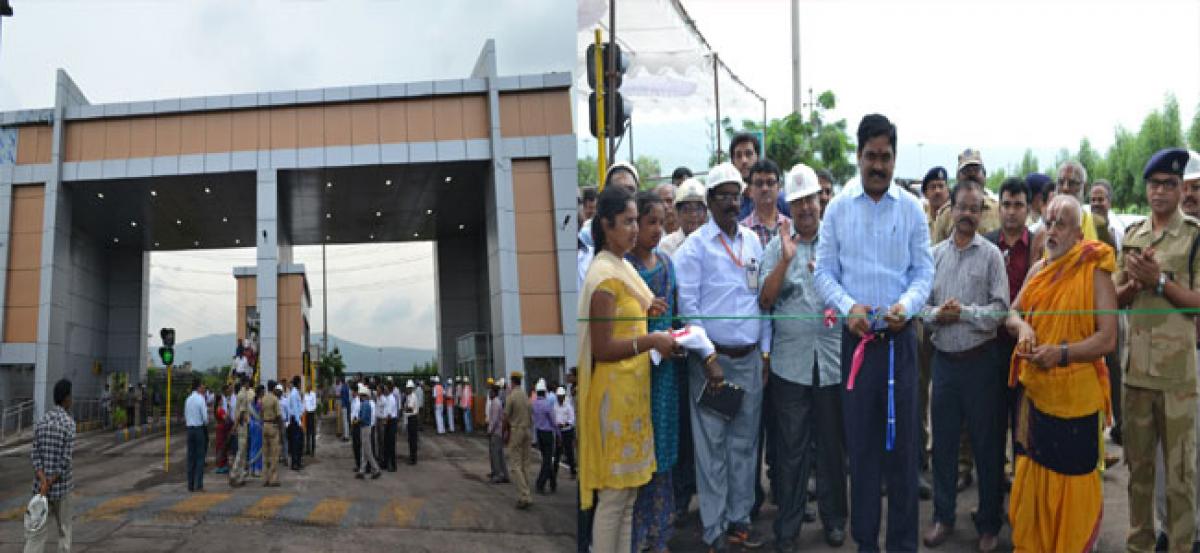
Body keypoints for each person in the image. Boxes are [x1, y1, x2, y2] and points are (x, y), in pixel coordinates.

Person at [814, 114, 934, 552]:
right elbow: (824, 273)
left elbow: (924, 271)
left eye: (886, 157)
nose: (878, 165)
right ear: (858, 156)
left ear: (895, 157)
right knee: (861, 451)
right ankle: (865, 541)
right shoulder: (839, 208)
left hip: (901, 344)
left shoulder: (912, 208)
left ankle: (902, 545)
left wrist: (908, 305)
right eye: (871, 156)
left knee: (903, 453)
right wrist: (848, 309)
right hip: (858, 345)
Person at [1003, 194, 1117, 552]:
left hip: (1076, 406)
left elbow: (1107, 339)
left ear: (1078, 233)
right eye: (1048, 222)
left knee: (1072, 495)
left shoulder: (1094, 270)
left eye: (1061, 223)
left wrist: (1062, 354)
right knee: (1035, 483)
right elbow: (1012, 312)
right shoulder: (1039, 270)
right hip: (1038, 399)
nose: (1051, 230)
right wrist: (1022, 329)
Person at [674, 161, 771, 551]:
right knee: (712, 447)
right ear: (710, 202)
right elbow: (688, 307)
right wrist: (708, 356)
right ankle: (713, 530)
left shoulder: (753, 242)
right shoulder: (694, 247)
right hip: (710, 364)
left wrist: (764, 354)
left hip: (749, 359)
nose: (732, 202)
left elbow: (760, 301)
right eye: (723, 196)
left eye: (736, 194)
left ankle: (739, 522)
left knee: (744, 446)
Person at [577, 184, 675, 553]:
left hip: (632, 394)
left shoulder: (622, 268)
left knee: (629, 498)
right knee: (614, 501)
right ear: (606, 224)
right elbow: (602, 348)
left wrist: (647, 310)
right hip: (614, 398)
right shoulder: (604, 276)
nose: (635, 229)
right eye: (628, 221)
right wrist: (651, 341)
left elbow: (625, 318)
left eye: (637, 220)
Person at [758, 164, 848, 551]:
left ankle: (834, 521)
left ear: (821, 200)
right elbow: (764, 300)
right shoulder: (777, 245)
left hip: (831, 363)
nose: (806, 208)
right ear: (789, 207)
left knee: (831, 448)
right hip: (790, 367)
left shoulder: (838, 244)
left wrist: (828, 277)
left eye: (810, 199)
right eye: (797, 202)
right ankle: (788, 528)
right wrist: (785, 261)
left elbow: (853, 297)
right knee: (791, 451)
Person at [1117, 148, 1200, 552]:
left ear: (1181, 187)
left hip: (1177, 378)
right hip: (1137, 375)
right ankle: (1139, 545)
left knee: (1182, 477)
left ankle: (1183, 545)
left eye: (1169, 184)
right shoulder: (1132, 236)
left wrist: (1161, 283)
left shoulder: (1195, 237)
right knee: (1139, 473)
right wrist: (1134, 285)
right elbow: (1113, 299)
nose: (1161, 191)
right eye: (1154, 184)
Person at [920, 180, 1009, 552]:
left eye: (975, 209)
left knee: (988, 448)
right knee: (942, 446)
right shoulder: (934, 255)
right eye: (962, 207)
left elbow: (1001, 309)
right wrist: (940, 314)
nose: (968, 215)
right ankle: (943, 517)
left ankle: (989, 523)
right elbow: (919, 310)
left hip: (981, 365)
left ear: (981, 213)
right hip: (945, 367)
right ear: (950, 210)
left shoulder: (991, 256)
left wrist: (965, 314)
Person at [627, 189, 682, 553]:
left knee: (663, 454)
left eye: (662, 223)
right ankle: (636, 532)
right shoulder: (625, 269)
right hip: (635, 371)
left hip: (664, 376)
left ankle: (659, 533)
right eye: (651, 223)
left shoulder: (667, 264)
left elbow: (675, 313)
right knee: (638, 453)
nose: (657, 230)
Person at [1153, 149, 1200, 551]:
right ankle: (1171, 529)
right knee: (1175, 457)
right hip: (1178, 358)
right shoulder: (1165, 234)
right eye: (1187, 188)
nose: (1190, 195)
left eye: (1196, 189)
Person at [24, 379, 76, 553]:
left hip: (41, 490)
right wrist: (52, 480)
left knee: (36, 533)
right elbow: (65, 461)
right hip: (62, 489)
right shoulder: (69, 424)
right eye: (71, 395)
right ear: (66, 398)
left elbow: (35, 455)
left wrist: (43, 480)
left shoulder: (41, 422)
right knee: (64, 531)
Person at [930, 149, 1000, 245]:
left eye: (976, 170)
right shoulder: (946, 214)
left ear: (984, 175)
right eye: (966, 171)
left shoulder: (998, 210)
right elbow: (937, 254)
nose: (971, 174)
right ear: (958, 177)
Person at [504, 372, 535, 509]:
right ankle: (527, 494)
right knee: (525, 464)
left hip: (517, 430)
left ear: (512, 382)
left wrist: (504, 432)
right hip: (528, 430)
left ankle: (525, 495)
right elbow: (531, 414)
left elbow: (506, 416)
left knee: (515, 464)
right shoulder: (526, 396)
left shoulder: (512, 397)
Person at [742, 159, 790, 247]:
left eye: (770, 183)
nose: (765, 188)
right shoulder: (742, 231)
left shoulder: (791, 227)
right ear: (750, 190)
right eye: (759, 183)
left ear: (778, 187)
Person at [658, 177, 708, 257]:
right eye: (687, 209)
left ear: (706, 212)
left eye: (699, 209)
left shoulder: (716, 243)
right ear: (677, 213)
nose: (693, 214)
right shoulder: (665, 247)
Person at [532, 380, 560, 494]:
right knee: (548, 461)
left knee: (546, 459)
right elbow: (553, 421)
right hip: (548, 434)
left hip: (539, 432)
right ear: (545, 392)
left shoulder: (534, 404)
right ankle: (540, 483)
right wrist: (558, 434)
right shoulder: (547, 404)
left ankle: (553, 482)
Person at [185, 381, 209, 493]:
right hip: (199, 429)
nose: (204, 389)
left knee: (190, 457)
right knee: (200, 458)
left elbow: (186, 415)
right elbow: (205, 418)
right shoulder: (201, 399)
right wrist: (205, 424)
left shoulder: (188, 400)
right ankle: (198, 485)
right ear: (198, 387)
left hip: (189, 429)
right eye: (203, 387)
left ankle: (190, 485)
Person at [354, 384, 382, 479]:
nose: (360, 396)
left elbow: (363, 418)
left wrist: (357, 420)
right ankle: (362, 470)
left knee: (367, 451)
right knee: (364, 450)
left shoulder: (365, 404)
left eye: (361, 395)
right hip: (365, 427)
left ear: (364, 395)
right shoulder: (366, 404)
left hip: (365, 428)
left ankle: (376, 469)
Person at [487, 385, 510, 483]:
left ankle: (497, 475)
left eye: (490, 392)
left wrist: (490, 431)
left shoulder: (495, 403)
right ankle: (504, 474)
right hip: (498, 432)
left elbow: (495, 420)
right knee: (500, 454)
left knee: (495, 454)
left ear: (494, 392)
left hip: (496, 432)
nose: (489, 393)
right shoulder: (496, 402)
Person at [262, 383, 283, 487]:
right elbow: (279, 416)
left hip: (264, 425)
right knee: (274, 454)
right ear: (274, 388)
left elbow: (261, 413)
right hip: (273, 426)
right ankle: (273, 479)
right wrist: (281, 429)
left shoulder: (263, 398)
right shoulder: (275, 399)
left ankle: (265, 478)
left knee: (265, 454)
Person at [553, 386, 576, 480]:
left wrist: (565, 424)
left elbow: (572, 419)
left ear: (564, 396)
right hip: (559, 432)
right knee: (557, 453)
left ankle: (572, 472)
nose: (559, 398)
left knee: (569, 452)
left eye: (561, 396)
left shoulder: (568, 406)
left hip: (567, 431)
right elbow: (554, 416)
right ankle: (554, 472)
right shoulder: (555, 405)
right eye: (558, 396)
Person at [921, 166, 950, 238]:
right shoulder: (921, 217)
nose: (937, 191)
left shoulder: (955, 216)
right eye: (933, 187)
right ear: (925, 193)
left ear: (948, 191)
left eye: (941, 186)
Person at [380, 382, 398, 472]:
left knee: (391, 444)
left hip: (391, 422)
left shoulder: (391, 399)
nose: (384, 389)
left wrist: (384, 422)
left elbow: (389, 415)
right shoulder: (386, 398)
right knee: (386, 444)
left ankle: (393, 465)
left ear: (390, 389)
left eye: (386, 388)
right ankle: (386, 463)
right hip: (388, 422)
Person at [404, 380, 420, 465]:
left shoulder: (413, 396)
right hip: (410, 418)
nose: (407, 389)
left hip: (413, 418)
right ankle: (412, 457)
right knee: (410, 439)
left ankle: (413, 459)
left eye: (408, 388)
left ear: (411, 388)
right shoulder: (409, 396)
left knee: (413, 440)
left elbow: (409, 408)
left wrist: (405, 408)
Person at [349, 380, 362, 471]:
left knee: (357, 446)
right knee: (355, 446)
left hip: (357, 425)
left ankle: (360, 464)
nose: (351, 393)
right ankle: (358, 464)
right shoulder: (353, 401)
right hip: (354, 425)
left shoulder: (358, 402)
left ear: (356, 392)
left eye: (352, 391)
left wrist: (354, 423)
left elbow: (357, 416)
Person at [304, 384, 317, 456]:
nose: (307, 388)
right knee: (308, 432)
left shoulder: (313, 395)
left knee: (312, 433)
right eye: (307, 387)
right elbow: (304, 404)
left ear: (310, 388)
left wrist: (309, 410)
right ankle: (308, 449)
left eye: (308, 387)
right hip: (307, 415)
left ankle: (313, 450)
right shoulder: (305, 395)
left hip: (312, 414)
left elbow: (314, 405)